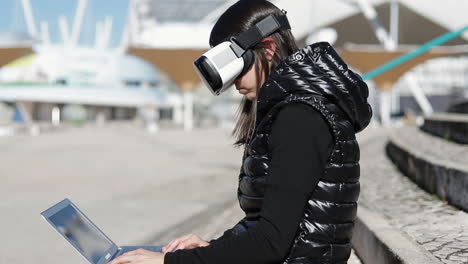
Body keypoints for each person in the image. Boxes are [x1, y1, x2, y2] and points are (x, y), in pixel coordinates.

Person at [109, 0, 372, 263]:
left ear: (268, 48)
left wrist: (168, 262)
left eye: (237, 67)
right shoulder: (291, 111)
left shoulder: (301, 117)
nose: (233, 82)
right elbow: (266, 224)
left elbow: (271, 242)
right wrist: (212, 247)